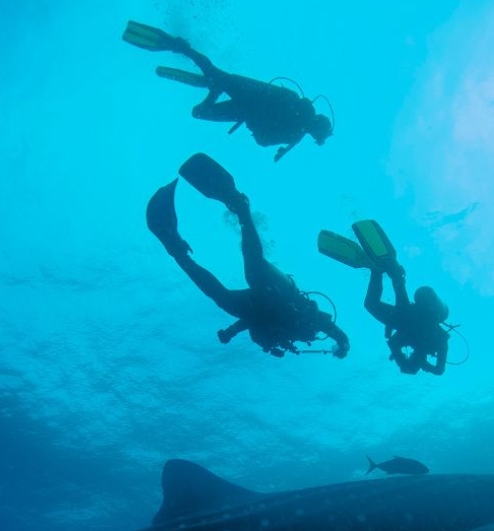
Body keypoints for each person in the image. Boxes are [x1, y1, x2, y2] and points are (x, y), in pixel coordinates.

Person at [147, 154, 349, 359]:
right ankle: (239, 204)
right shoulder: (310, 321)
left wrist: (231, 331)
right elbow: (331, 328)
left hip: (257, 304)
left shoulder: (280, 332)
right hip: (281, 291)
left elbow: (253, 319)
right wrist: (342, 341)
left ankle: (176, 250)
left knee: (222, 298)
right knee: (255, 269)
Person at [123, 21, 333, 162]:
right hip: (244, 110)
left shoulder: (298, 105)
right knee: (199, 112)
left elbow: (270, 90)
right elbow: (263, 140)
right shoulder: (294, 134)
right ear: (315, 131)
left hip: (249, 92)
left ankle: (181, 47)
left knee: (215, 73)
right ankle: (211, 88)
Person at [318, 221, 449, 375]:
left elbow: (396, 345)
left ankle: (380, 270)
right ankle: (387, 270)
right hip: (408, 317)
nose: (414, 356)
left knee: (385, 295)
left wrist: (404, 356)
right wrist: (418, 364)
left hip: (404, 317)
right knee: (385, 297)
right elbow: (438, 370)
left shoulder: (416, 341)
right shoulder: (438, 342)